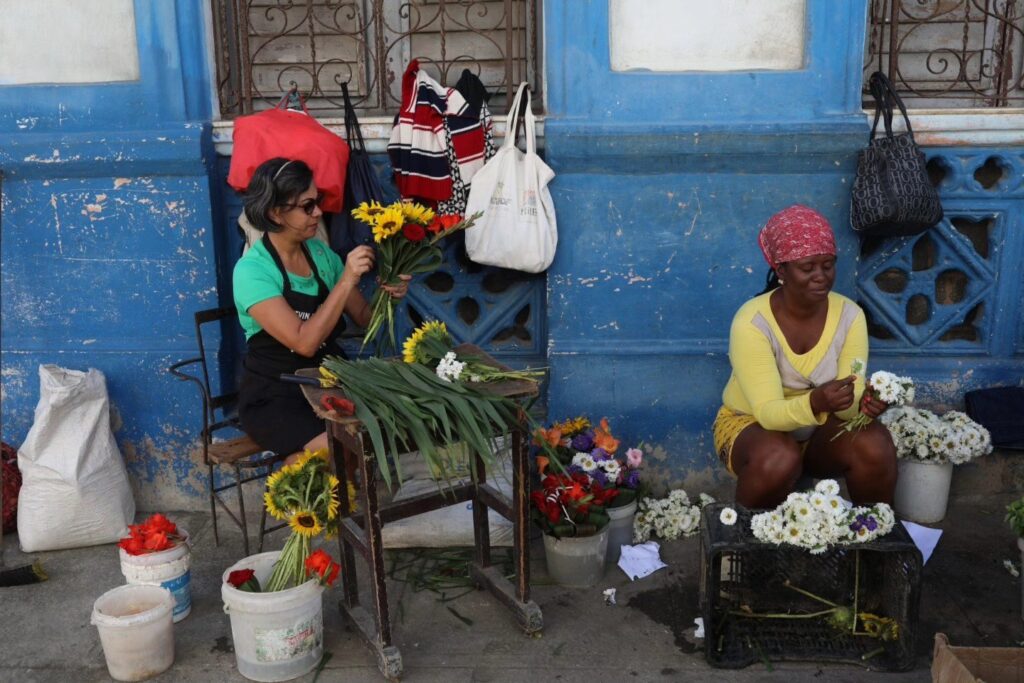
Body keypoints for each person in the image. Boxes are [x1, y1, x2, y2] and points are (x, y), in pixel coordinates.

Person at [713, 205, 897, 509]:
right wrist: (816, 402)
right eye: (807, 267)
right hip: (750, 428)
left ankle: (873, 543)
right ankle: (744, 547)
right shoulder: (752, 322)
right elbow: (769, 414)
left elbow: (849, 405)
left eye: (828, 265)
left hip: (818, 434)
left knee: (873, 442)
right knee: (778, 457)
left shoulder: (850, 316)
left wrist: (864, 403)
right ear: (781, 271)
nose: (820, 277)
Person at [232, 158, 411, 463]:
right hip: (275, 394)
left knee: (380, 430)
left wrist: (390, 296)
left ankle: (344, 502)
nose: (318, 212)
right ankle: (299, 497)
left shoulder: (321, 256)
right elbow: (303, 343)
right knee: (334, 448)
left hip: (325, 381)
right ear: (276, 213)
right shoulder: (252, 271)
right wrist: (346, 280)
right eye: (307, 206)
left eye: (318, 201)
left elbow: (366, 319)